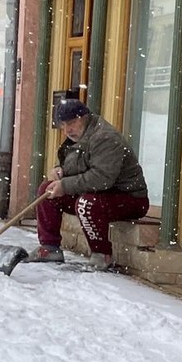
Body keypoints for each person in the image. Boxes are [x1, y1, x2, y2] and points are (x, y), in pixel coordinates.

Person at [26, 98, 150, 269]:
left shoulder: (105, 137)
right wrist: (59, 170)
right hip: (99, 193)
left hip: (129, 198)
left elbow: (102, 178)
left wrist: (65, 185)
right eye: (63, 125)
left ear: (84, 117)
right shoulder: (78, 136)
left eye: (71, 123)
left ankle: (102, 255)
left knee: (86, 204)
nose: (67, 130)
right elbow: (75, 164)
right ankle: (50, 247)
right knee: (47, 191)